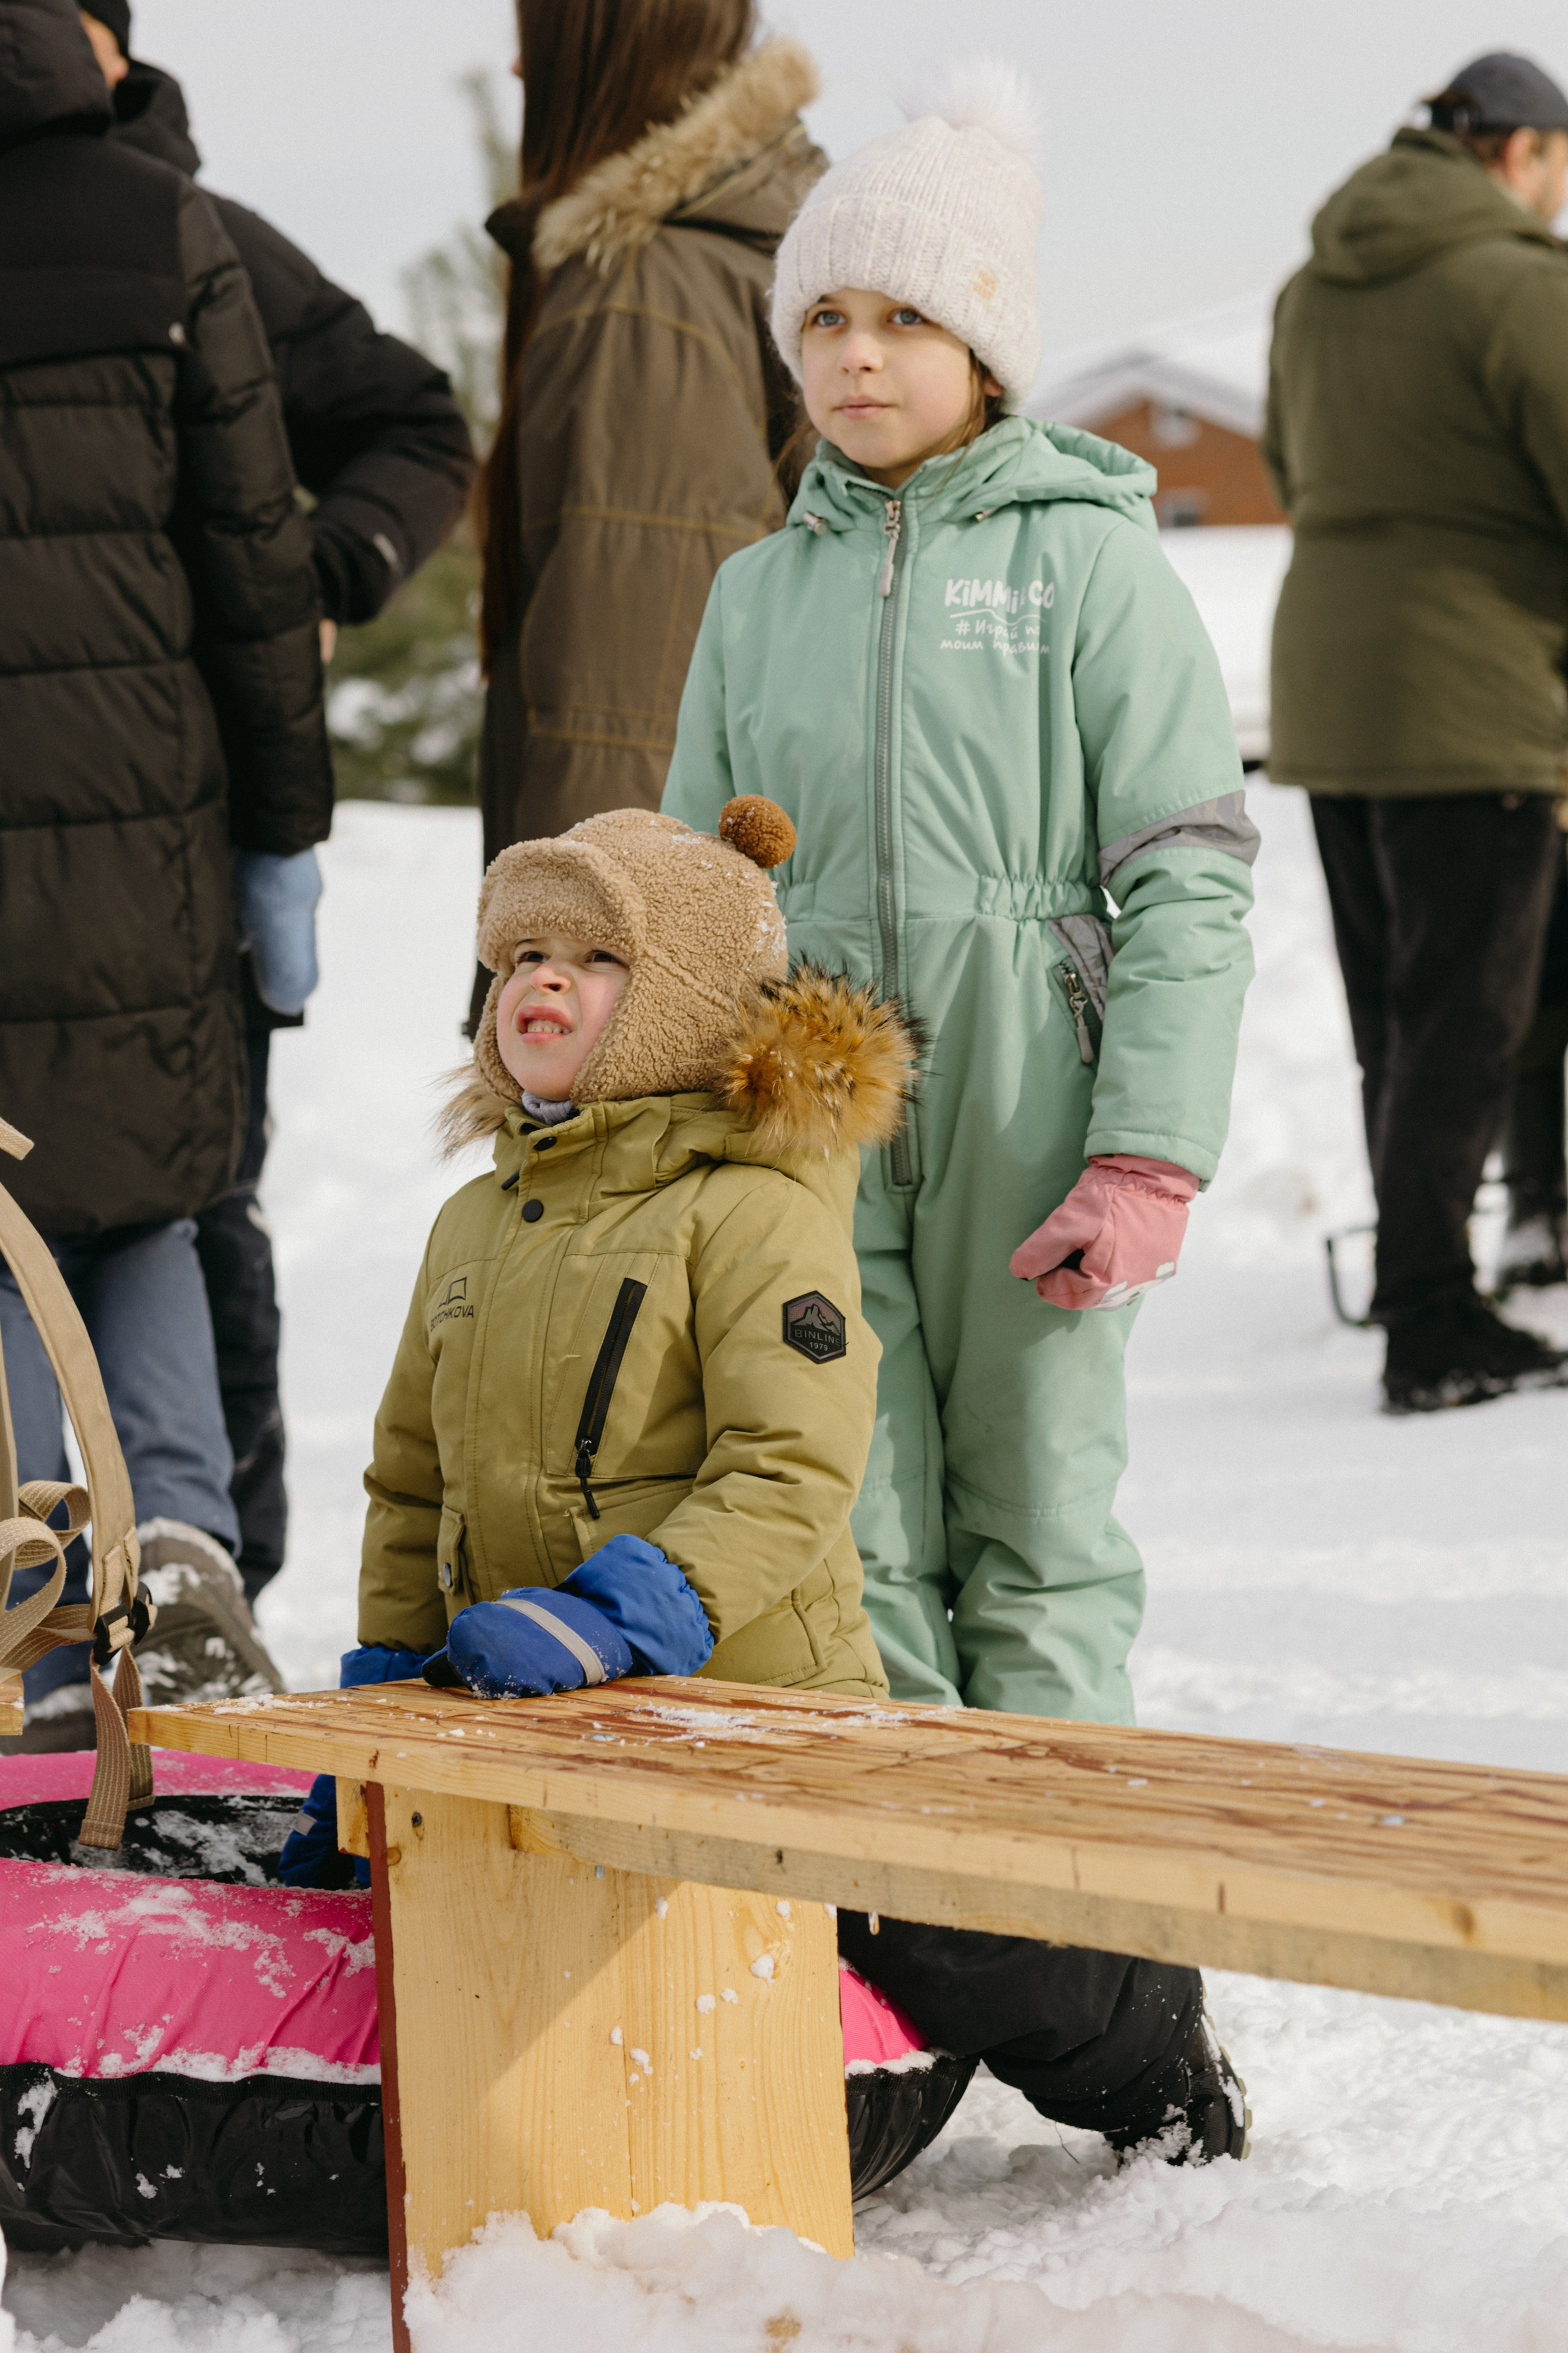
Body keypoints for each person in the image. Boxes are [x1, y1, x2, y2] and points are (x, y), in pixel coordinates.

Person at [277, 797, 1240, 2166]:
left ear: (678, 999)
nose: (542, 981)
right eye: (522, 954)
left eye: (595, 958)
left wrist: (619, 1613)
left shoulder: (751, 1206)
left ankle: (1148, 2042)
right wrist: (387, 1685)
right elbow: (410, 1480)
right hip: (544, 1714)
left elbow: (790, 1463)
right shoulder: (473, 1225)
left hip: (754, 1701)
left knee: (929, 1926)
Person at [662, 67, 1254, 2161]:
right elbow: (696, 891)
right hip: (812, 1105)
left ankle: (1101, 1980)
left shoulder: (1093, 565)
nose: (855, 356)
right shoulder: (760, 592)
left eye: (901, 319)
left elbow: (1188, 866)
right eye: (824, 320)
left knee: (1039, 1526)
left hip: (1033, 1089)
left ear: (985, 339)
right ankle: (918, 1981)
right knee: (855, 1531)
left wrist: (1145, 1146)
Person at [78, 0, 475, 1600]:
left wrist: (299, 578)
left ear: (111, 46)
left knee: (193, 1200)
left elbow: (415, 421)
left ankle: (216, 1605)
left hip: (187, 824)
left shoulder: (205, 239)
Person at [0, 0, 334, 1743]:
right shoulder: (159, 221)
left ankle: (26, 1578)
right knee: (146, 1200)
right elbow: (257, 566)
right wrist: (283, 838)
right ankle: (182, 1561)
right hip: (143, 821)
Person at [1265, 51, 1568, 1412]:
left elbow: (1288, 463)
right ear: (1520, 151)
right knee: (1471, 1015)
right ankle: (1434, 1319)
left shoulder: (1310, 287)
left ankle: (1419, 1279)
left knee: (1398, 1013)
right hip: (1474, 689)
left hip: (1332, 689)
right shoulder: (1516, 285)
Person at [473, 0, 822, 956]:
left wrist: (564, 968)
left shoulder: (640, 294)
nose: (516, 68)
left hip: (633, 976)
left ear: (613, 46)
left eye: (537, 36)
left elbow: (619, 723)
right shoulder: (744, 244)